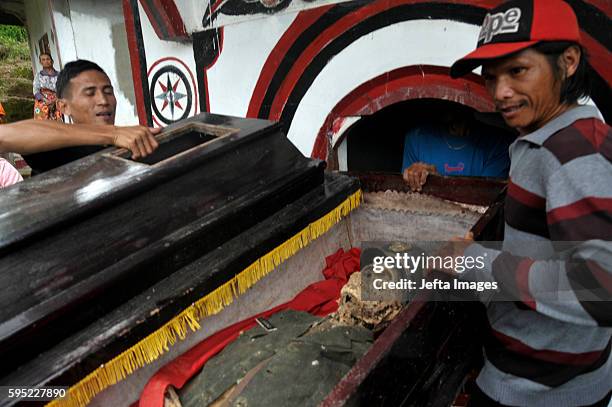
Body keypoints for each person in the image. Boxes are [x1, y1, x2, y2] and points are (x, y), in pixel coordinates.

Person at [444, 1, 611, 406]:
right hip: (553, 373)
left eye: (518, 70)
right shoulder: (548, 138)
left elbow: (599, 288)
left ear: (568, 62)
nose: (500, 92)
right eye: (491, 76)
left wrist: (477, 262)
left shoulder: (572, 152)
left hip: (536, 392)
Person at [25, 59, 158, 173]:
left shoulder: (129, 141)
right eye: (90, 93)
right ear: (64, 106)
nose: (104, 101)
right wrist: (110, 134)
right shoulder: (57, 154)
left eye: (108, 92)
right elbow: (7, 136)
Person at [401, 108, 511, 191]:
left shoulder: (498, 143)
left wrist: (436, 181)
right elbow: (409, 196)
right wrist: (416, 176)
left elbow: (484, 198)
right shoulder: (418, 137)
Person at [33, 52, 62, 121]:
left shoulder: (59, 75)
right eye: (43, 60)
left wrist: (53, 101)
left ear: (52, 61)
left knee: (58, 127)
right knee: (43, 127)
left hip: (56, 103)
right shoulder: (38, 75)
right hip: (42, 104)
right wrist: (46, 101)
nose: (46, 61)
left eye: (48, 59)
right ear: (40, 62)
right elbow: (35, 91)